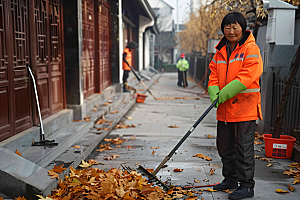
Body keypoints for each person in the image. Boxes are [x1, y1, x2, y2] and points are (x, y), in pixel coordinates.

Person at [207, 12, 263, 200]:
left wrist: (225, 93)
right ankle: (230, 180)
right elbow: (214, 72)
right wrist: (214, 90)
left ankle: (247, 186)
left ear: (243, 28)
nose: (231, 31)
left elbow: (247, 76)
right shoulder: (221, 50)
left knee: (243, 149)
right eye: (227, 27)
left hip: (244, 110)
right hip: (224, 110)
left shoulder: (251, 49)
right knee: (225, 147)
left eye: (235, 27)